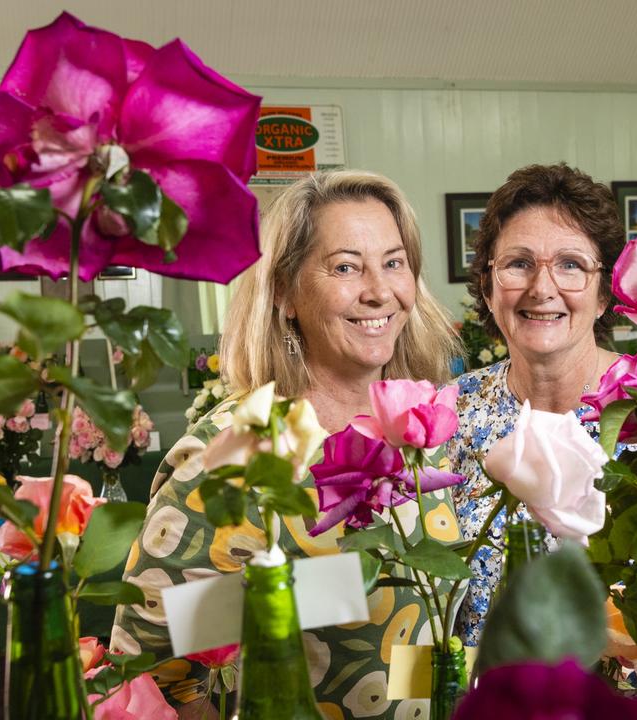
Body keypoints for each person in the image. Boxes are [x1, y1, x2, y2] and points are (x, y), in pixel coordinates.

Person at [111, 170, 462, 718]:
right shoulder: (238, 448)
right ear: (284, 292)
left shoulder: (418, 425)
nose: (379, 291)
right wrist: (314, 588)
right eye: (346, 267)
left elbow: (414, 622)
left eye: (394, 263)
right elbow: (152, 667)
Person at [443, 163, 637, 713]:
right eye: (518, 264)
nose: (543, 288)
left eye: (570, 265)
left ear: (605, 293)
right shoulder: (448, 416)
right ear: (487, 288)